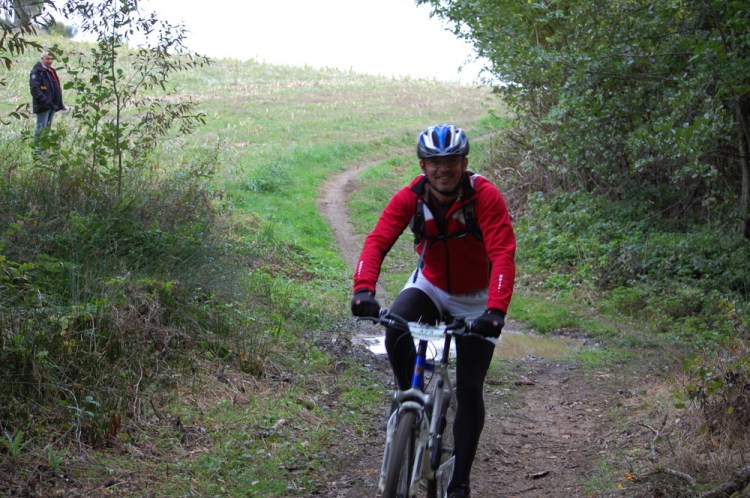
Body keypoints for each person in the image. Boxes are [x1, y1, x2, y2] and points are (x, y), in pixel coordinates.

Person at [351, 124, 516, 498]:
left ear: (464, 163)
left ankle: (459, 483)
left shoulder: (485, 197)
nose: (444, 169)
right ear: (423, 166)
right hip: (431, 285)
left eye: (452, 161)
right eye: (435, 162)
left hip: (476, 297)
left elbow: (503, 253)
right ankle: (408, 403)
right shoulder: (411, 197)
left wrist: (495, 310)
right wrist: (363, 290)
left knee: (469, 388)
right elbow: (377, 241)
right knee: (397, 326)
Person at [29, 50, 65, 145]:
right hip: (44, 105)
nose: (50, 61)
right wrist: (46, 101)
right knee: (41, 129)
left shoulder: (50, 70)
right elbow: (34, 89)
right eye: (47, 59)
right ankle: (38, 152)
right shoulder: (37, 71)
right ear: (42, 59)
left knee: (47, 129)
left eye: (52, 59)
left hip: (52, 104)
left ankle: (43, 151)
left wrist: (57, 102)